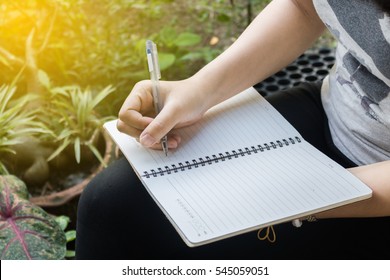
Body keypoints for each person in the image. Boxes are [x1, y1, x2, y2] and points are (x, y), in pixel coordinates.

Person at [76, 0, 390, 259]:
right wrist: (198, 90)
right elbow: (305, 7)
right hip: (335, 111)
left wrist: (317, 194)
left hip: (377, 192)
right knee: (110, 203)